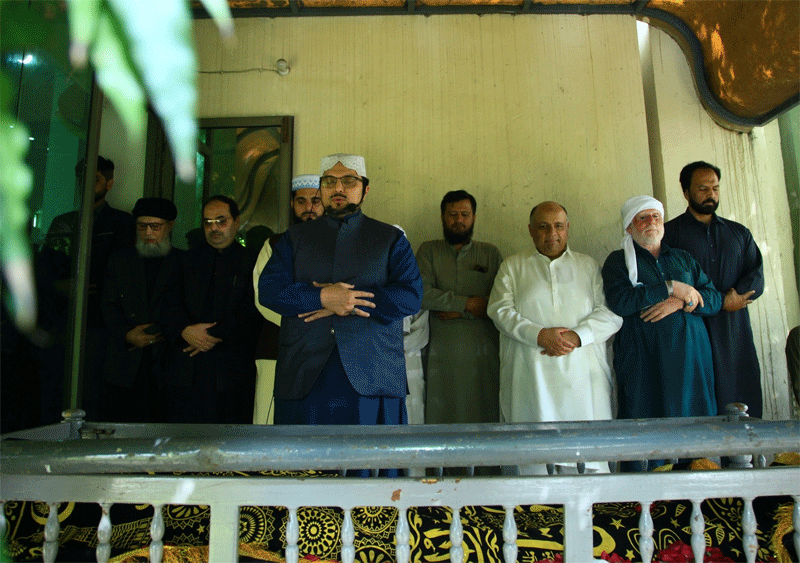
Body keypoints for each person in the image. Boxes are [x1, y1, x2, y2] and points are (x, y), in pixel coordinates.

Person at [258, 154, 422, 435]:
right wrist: (320, 298)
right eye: (330, 182)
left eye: (349, 181)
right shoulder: (294, 239)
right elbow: (269, 291)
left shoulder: (390, 239)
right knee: (305, 469)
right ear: (321, 188)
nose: (339, 189)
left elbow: (410, 296)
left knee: (369, 468)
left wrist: (348, 300)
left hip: (372, 375)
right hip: (305, 373)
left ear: (365, 189)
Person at [488, 202, 622, 474]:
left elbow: (610, 314)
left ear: (568, 228)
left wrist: (576, 335)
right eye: (543, 226)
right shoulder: (512, 267)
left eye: (558, 226)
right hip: (531, 377)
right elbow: (499, 311)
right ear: (530, 230)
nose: (552, 233)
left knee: (585, 465)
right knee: (533, 465)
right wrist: (539, 335)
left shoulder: (589, 266)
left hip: (583, 382)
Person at [601, 195, 722, 424]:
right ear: (629, 227)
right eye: (643, 218)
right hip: (646, 363)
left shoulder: (683, 258)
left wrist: (681, 301)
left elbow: (714, 299)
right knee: (648, 428)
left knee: (696, 428)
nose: (651, 222)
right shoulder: (618, 262)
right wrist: (671, 287)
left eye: (656, 216)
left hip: (691, 362)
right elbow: (620, 301)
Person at [664, 161, 765, 418]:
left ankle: (744, 458)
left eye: (715, 188)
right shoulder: (669, 235)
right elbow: (663, 282)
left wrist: (734, 298)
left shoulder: (739, 234)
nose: (711, 194)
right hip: (692, 330)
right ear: (686, 192)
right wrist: (720, 301)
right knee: (697, 400)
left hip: (734, 331)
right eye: (702, 188)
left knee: (740, 399)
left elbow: (756, 276)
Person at [45, 155, 135, 421]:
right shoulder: (64, 223)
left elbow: (127, 275)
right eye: (82, 178)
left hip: (104, 324)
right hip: (65, 320)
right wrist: (65, 286)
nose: (87, 184)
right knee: (58, 390)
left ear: (109, 183)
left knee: (97, 394)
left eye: (94, 179)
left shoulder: (122, 223)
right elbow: (47, 271)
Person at [164, 195, 261, 424]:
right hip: (188, 369)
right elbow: (168, 305)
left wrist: (211, 335)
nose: (213, 228)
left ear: (237, 222)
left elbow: (254, 310)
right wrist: (184, 331)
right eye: (208, 222)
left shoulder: (253, 261)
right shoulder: (186, 260)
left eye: (221, 221)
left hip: (233, 369)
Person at [416, 190, 502, 425]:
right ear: (443, 217)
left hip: (483, 352)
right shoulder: (428, 251)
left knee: (484, 415)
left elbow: (499, 303)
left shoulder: (490, 253)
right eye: (452, 214)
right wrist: (468, 304)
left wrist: (464, 310)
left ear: (474, 217)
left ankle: (487, 464)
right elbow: (421, 294)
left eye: (465, 214)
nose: (459, 220)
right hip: (440, 353)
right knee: (441, 415)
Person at [101, 197, 182, 422]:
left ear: (170, 226)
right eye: (141, 226)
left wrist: (161, 331)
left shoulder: (183, 261)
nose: (148, 232)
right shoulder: (120, 260)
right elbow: (108, 304)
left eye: (155, 227)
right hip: (125, 362)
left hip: (167, 361)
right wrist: (128, 334)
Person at [252, 174, 324, 424]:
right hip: (278, 346)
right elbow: (263, 297)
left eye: (315, 201)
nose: (309, 208)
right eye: (301, 201)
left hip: (324, 348)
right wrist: (307, 321)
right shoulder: (274, 244)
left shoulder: (340, 246)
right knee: (270, 423)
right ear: (293, 205)